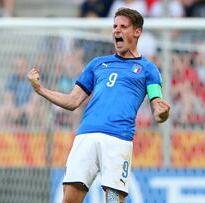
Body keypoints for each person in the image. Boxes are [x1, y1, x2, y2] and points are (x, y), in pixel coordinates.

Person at [27, 7, 170, 203]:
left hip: (117, 140)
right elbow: (72, 101)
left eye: (123, 27)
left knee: (112, 200)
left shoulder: (148, 69)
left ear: (137, 32)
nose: (116, 31)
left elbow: (157, 108)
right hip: (86, 136)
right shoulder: (97, 64)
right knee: (69, 200)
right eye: (114, 26)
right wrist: (40, 90)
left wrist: (163, 113)